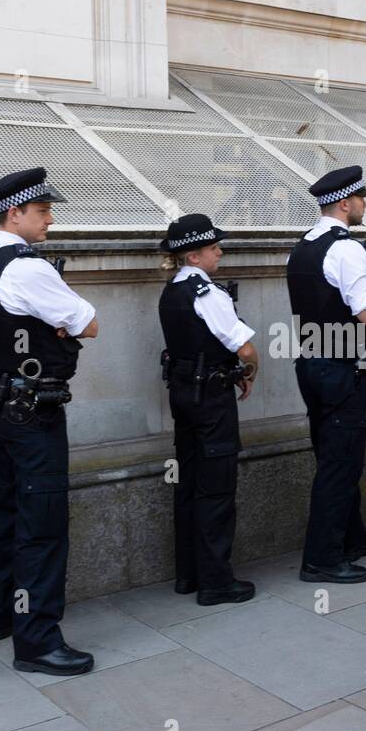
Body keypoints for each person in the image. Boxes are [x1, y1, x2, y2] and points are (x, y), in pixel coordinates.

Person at [0, 167, 98, 676]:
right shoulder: (27, 267)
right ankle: (38, 641)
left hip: (5, 406)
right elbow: (88, 322)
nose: (49, 220)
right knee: (41, 526)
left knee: (6, 512)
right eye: (42, 212)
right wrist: (61, 327)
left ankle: (3, 615)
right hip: (34, 413)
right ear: (15, 213)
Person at [287, 165, 366, 584]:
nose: (364, 206)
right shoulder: (346, 248)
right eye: (361, 199)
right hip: (340, 367)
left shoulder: (303, 245)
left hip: (311, 363)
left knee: (334, 455)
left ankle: (351, 537)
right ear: (344, 203)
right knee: (340, 464)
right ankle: (321, 559)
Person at [158, 213, 259, 606]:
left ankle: (189, 575)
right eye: (213, 247)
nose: (220, 251)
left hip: (183, 395)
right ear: (194, 256)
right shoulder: (207, 294)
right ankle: (216, 582)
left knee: (188, 483)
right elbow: (244, 347)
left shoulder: (171, 291)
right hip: (212, 400)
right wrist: (250, 371)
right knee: (216, 489)